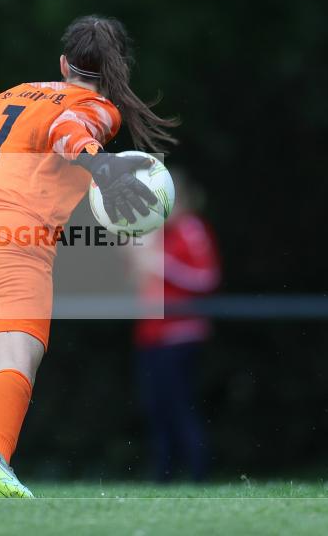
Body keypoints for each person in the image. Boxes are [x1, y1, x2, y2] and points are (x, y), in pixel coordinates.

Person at [0, 15, 179, 498]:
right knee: (15, 357)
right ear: (119, 69)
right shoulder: (98, 108)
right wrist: (102, 165)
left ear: (64, 63)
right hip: (8, 245)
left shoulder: (10, 96)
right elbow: (68, 129)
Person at [130, 172, 220, 481]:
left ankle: (198, 474)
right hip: (151, 336)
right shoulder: (157, 233)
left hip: (180, 334)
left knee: (180, 405)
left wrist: (160, 264)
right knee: (156, 408)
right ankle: (163, 476)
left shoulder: (190, 229)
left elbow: (206, 278)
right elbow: (140, 284)